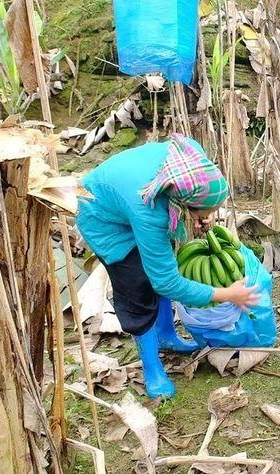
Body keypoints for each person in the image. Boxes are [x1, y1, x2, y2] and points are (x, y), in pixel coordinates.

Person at [76, 134, 260, 399]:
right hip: (104, 221)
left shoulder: (193, 160)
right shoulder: (149, 211)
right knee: (139, 286)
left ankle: (165, 334)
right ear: (185, 202)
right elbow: (166, 281)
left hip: (127, 198)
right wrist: (226, 295)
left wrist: (200, 217)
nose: (207, 217)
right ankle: (152, 368)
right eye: (202, 212)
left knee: (160, 265)